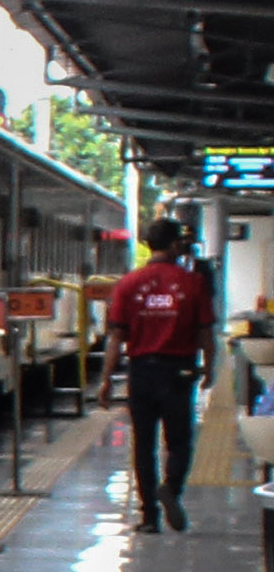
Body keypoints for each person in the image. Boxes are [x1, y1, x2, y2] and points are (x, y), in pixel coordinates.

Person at [108, 217, 213, 530]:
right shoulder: (193, 283)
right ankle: (171, 488)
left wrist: (105, 380)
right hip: (179, 370)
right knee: (179, 441)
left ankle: (149, 518)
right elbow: (206, 331)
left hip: (141, 371)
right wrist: (210, 366)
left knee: (144, 444)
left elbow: (116, 337)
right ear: (176, 245)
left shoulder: (128, 284)